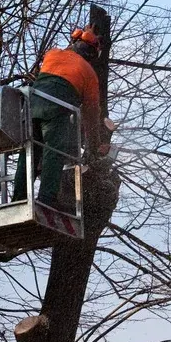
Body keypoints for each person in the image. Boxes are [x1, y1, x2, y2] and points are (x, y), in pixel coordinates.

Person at [15, 26, 109, 210]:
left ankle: (18, 199)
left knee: (29, 152)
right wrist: (95, 144)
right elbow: (91, 114)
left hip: (32, 106)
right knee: (54, 152)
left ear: (74, 43)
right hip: (57, 110)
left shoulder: (53, 54)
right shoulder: (89, 74)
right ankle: (46, 199)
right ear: (92, 54)